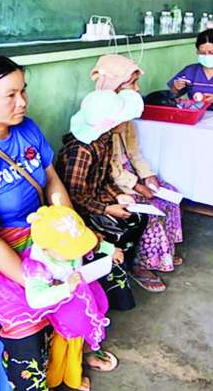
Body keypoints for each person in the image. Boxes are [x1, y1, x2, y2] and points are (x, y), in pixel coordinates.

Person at [0, 54, 116, 390]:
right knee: (27, 313)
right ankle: (31, 379)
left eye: (23, 91)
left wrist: (70, 229)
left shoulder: (26, 129)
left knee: (82, 269)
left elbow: (52, 180)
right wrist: (37, 281)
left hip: (31, 225)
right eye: (10, 95)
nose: (22, 102)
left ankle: (70, 352)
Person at [90, 54, 183, 293]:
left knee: (169, 194)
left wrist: (148, 175)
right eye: (132, 83)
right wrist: (136, 185)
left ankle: (163, 252)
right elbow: (109, 170)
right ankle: (142, 265)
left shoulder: (127, 118)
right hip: (114, 183)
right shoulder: (100, 118)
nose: (138, 88)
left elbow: (134, 152)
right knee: (149, 210)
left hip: (131, 176)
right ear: (114, 86)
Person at [55, 89, 149, 311]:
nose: (126, 122)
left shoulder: (104, 140)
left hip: (97, 201)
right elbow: (75, 196)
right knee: (117, 232)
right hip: (79, 211)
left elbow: (104, 177)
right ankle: (111, 282)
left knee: (139, 218)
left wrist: (117, 195)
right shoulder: (81, 150)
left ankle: (123, 264)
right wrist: (107, 209)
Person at [23, 204, 122, 391]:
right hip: (60, 308)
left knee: (75, 340)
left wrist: (111, 250)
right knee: (64, 344)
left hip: (79, 298)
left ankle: (72, 375)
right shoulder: (38, 265)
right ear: (46, 249)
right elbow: (35, 299)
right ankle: (64, 379)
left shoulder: (64, 245)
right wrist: (66, 288)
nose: (78, 252)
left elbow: (90, 246)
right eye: (72, 250)